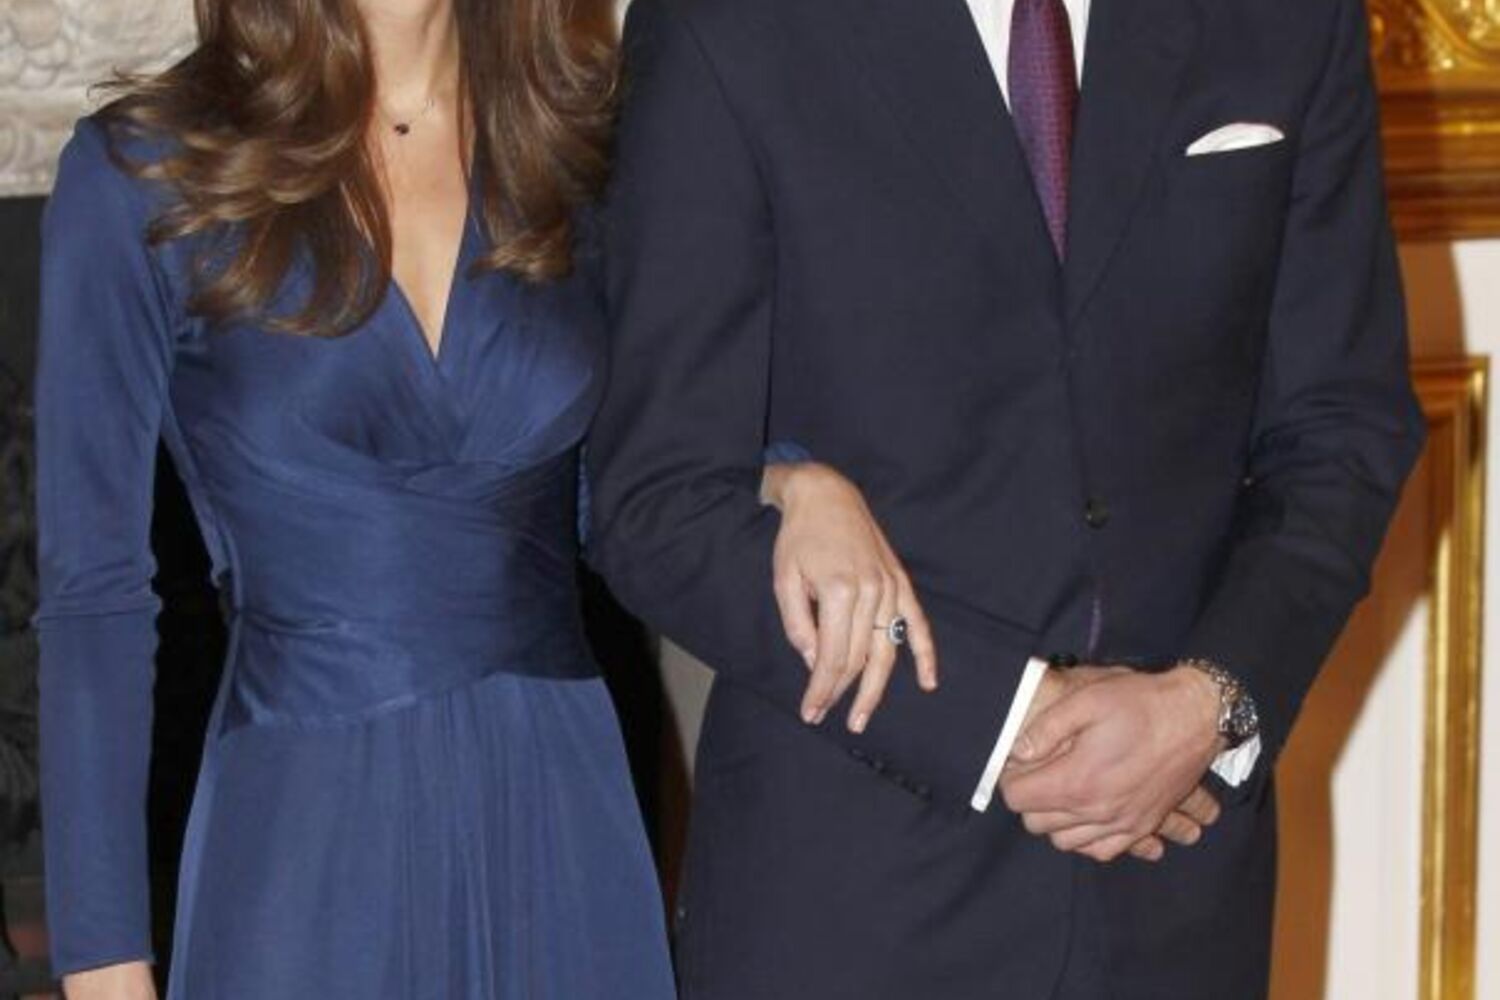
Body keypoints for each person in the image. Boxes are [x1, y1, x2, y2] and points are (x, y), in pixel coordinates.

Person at [32, 0, 919, 996]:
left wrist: (790, 481)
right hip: (304, 834)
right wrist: (102, 964)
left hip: (559, 808)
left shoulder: (579, 155)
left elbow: (615, 483)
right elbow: (93, 598)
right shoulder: (142, 171)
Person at [588, 0, 1426, 996]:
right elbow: (658, 496)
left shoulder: (1285, 19)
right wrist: (1004, 718)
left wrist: (1215, 701)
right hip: (851, 891)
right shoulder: (730, 25)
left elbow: (1343, 428)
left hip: (1175, 874)